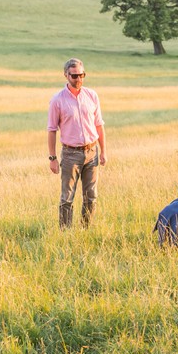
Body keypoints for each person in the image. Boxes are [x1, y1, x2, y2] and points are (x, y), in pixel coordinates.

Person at [46, 58, 107, 229]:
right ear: (66, 75)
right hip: (70, 153)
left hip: (92, 151)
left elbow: (99, 124)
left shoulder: (92, 95)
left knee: (91, 196)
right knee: (67, 197)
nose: (78, 79)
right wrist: (52, 158)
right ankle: (65, 231)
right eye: (74, 76)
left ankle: (86, 229)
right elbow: (51, 129)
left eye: (82, 75)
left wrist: (103, 151)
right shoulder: (57, 100)